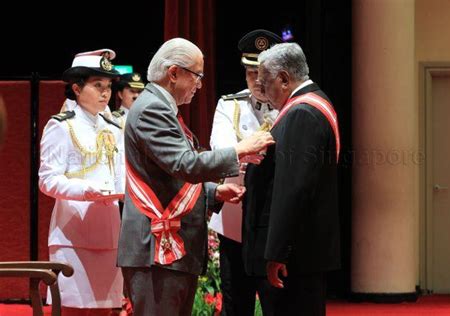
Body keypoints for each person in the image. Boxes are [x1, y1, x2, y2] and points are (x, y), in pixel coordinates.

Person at [116, 37, 274, 316]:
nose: (200, 85)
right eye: (197, 76)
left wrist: (214, 192)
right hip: (155, 249)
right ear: (174, 73)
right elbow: (184, 164)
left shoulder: (162, 108)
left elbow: (169, 175)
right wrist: (239, 150)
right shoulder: (153, 109)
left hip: (167, 249)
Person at [242, 42, 341, 315]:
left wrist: (277, 253)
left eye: (265, 83)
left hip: (294, 258)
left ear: (284, 79)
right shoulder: (311, 105)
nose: (262, 91)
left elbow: (293, 190)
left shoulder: (302, 112)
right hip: (301, 252)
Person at [38, 49, 125, 315]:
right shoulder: (62, 126)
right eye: (97, 85)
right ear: (76, 88)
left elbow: (120, 174)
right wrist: (85, 191)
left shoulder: (113, 127)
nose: (105, 93)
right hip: (72, 233)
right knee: (74, 309)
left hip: (109, 233)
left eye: (108, 86)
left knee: (104, 311)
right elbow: (47, 180)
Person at [209, 29, 281, 316]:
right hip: (234, 223)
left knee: (276, 304)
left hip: (273, 225)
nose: (258, 82)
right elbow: (220, 154)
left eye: (263, 74)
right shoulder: (229, 105)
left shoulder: (289, 107)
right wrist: (245, 155)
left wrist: (241, 153)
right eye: (251, 73)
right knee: (235, 304)